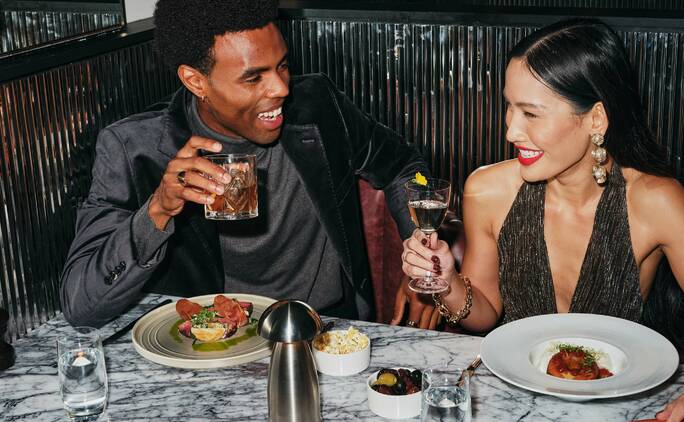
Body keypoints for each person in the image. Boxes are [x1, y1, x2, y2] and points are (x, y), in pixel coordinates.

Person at [400, 18, 684, 422]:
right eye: (509, 107)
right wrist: (446, 282)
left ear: (596, 120)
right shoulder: (487, 189)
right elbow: (485, 313)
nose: (511, 130)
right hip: (512, 407)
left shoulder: (656, 202)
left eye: (531, 114)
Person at [59, 0, 429, 327]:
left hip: (324, 329)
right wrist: (157, 210)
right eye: (253, 77)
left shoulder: (318, 106)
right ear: (195, 81)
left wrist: (421, 250)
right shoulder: (133, 148)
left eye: (282, 66)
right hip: (210, 349)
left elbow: (404, 167)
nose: (281, 88)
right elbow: (80, 304)